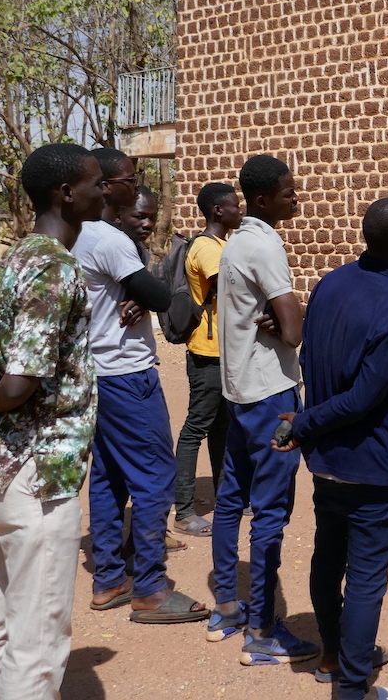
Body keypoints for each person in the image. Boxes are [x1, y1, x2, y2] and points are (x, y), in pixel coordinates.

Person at [0, 143, 103, 700]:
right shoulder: (55, 268)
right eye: (94, 183)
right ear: (66, 194)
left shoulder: (14, 259)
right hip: (42, 476)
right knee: (38, 639)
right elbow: (22, 379)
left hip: (4, 473)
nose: (103, 190)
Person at [275, 197, 388, 700]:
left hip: (326, 459)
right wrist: (306, 421)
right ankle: (352, 688)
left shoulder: (330, 284)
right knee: (364, 580)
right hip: (371, 463)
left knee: (327, 557)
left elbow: (313, 360)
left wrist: (306, 425)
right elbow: (362, 398)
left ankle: (334, 655)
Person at [76, 147, 206, 623]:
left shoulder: (77, 237)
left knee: (108, 478)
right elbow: (159, 296)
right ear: (107, 188)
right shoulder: (108, 240)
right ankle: (150, 588)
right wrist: (157, 283)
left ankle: (110, 578)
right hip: (127, 377)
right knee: (155, 479)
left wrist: (137, 291)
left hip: (96, 374)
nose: (137, 185)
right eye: (130, 180)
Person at [207, 155, 316, 664]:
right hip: (271, 395)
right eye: (290, 192)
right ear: (263, 200)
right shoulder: (266, 247)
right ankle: (263, 631)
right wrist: (289, 319)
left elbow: (273, 318)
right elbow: (293, 330)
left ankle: (228, 605)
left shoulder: (235, 244)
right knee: (270, 509)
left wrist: (277, 317)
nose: (298, 197)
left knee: (232, 498)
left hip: (240, 393)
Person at [172, 182, 241, 538]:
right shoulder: (207, 248)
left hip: (221, 351)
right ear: (218, 211)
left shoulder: (220, 244)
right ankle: (183, 511)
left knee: (221, 427)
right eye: (234, 205)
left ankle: (225, 494)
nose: (239, 210)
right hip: (208, 352)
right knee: (195, 428)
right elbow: (232, 289)